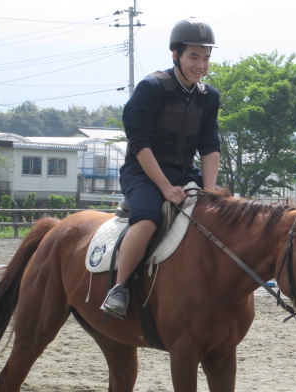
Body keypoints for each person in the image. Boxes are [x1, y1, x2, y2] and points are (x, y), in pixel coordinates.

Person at [101, 18, 221, 319]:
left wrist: (209, 190)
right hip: (143, 172)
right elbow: (140, 143)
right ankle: (119, 288)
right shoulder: (151, 88)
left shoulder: (209, 96)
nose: (201, 65)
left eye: (206, 58)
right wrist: (165, 188)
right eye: (194, 57)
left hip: (185, 172)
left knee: (220, 215)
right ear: (176, 55)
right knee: (147, 220)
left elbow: (210, 146)